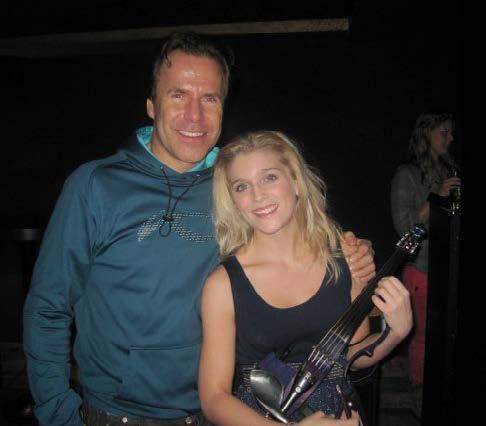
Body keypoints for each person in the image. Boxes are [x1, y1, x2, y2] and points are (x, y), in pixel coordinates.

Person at [23, 33, 376, 426]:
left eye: (210, 99)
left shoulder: (235, 183)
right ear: (151, 105)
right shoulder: (95, 186)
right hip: (117, 414)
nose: (195, 116)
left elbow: (301, 222)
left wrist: (351, 249)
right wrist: (58, 413)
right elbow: (47, 308)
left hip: (224, 409)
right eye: (178, 95)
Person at [198, 130, 413, 426]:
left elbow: (349, 358)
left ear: (296, 182)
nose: (257, 195)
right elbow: (213, 398)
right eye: (241, 186)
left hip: (340, 414)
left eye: (269, 177)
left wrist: (396, 333)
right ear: (233, 201)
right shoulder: (223, 285)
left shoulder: (345, 259)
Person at [390, 113, 460, 391]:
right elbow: (404, 227)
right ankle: (420, 394)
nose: (451, 138)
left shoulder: (450, 171)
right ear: (427, 133)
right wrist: (436, 197)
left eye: (451, 133)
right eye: (444, 131)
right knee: (423, 335)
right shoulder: (407, 174)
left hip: (449, 267)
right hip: (421, 267)